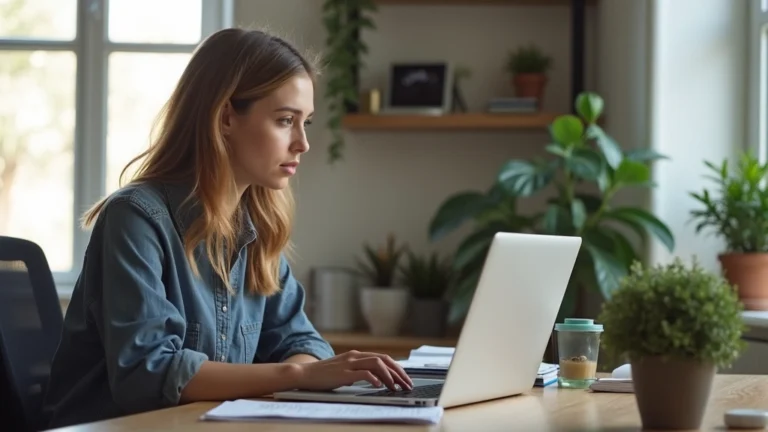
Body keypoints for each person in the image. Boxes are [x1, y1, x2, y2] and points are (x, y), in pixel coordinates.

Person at [43, 28, 413, 428]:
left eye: (305, 122)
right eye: (285, 120)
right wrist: (299, 375)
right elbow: (147, 373)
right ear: (225, 118)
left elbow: (300, 341)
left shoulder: (257, 226)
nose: (302, 143)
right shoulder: (135, 218)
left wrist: (306, 369)